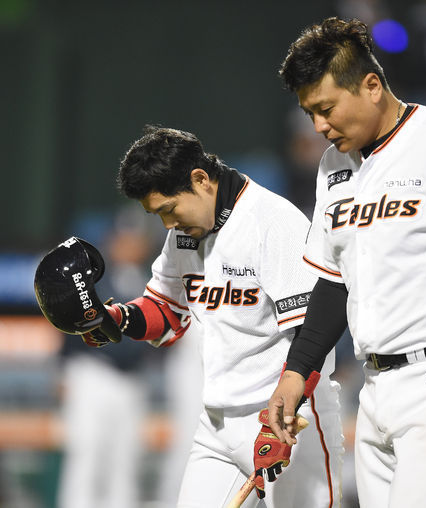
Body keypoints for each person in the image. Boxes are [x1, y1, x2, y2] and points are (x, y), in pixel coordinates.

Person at [266, 17, 426, 508]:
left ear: (371, 86)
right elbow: (333, 284)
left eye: (326, 109)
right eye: (310, 113)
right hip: (375, 390)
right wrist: (295, 373)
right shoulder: (333, 167)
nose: (319, 126)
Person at [82, 126, 344, 508]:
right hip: (216, 423)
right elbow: (166, 311)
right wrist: (115, 318)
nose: (167, 224)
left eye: (168, 210)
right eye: (157, 215)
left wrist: (287, 409)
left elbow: (313, 328)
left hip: (287, 417)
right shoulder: (184, 231)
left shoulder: (271, 221)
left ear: (200, 179)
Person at [57, 221, 158, 508]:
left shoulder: (152, 283)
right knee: (86, 452)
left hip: (132, 380)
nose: (131, 246)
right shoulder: (93, 281)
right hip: (93, 373)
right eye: (125, 239)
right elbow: (68, 327)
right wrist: (63, 370)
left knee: (126, 459)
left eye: (136, 240)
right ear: (113, 242)